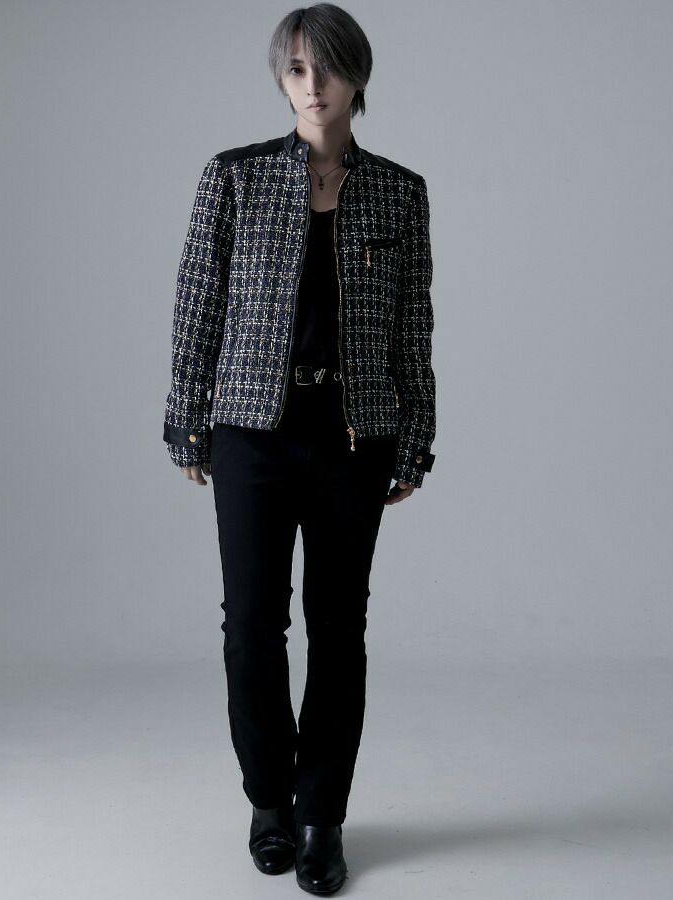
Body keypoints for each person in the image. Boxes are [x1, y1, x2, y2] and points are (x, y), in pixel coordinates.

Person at [162, 4, 436, 894]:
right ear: (281, 80)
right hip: (250, 431)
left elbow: (413, 327)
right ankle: (268, 803)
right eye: (295, 70)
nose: (312, 86)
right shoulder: (234, 178)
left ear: (358, 76)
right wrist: (187, 417)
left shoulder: (399, 191)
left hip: (354, 437)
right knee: (251, 626)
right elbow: (198, 305)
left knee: (339, 629)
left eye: (327, 68)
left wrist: (416, 438)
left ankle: (322, 816)